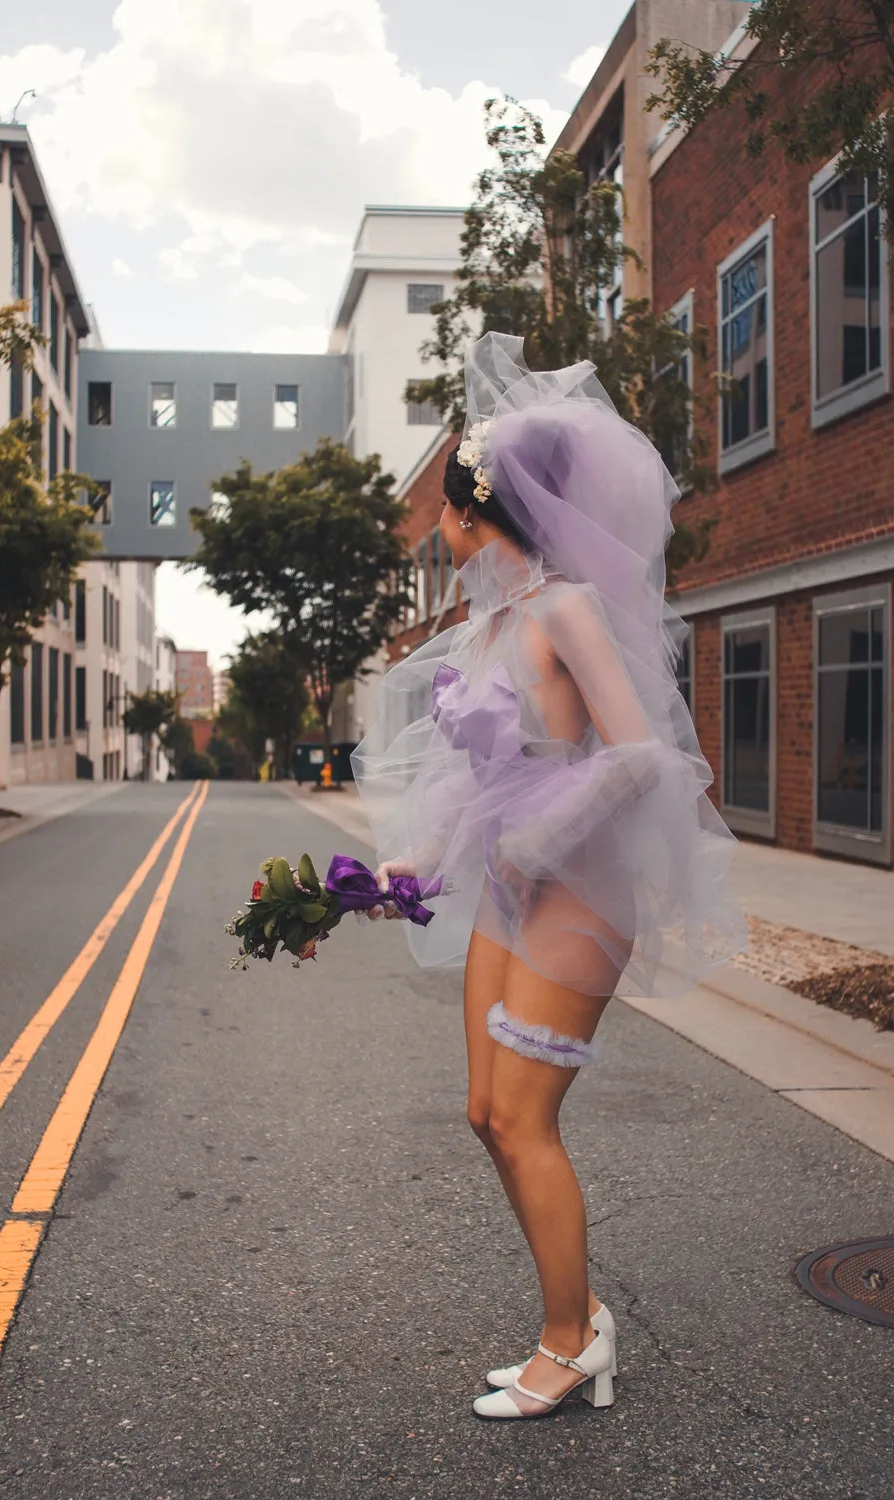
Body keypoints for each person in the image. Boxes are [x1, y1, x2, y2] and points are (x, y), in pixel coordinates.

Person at [352, 333, 746, 1421]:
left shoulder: (567, 611)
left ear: (474, 512)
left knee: (525, 1118)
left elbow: (641, 755)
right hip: (505, 889)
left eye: (443, 504)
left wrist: (538, 840)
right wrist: (415, 861)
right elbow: (459, 772)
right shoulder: (488, 627)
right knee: (485, 1110)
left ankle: (570, 1345)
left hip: (580, 895)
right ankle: (576, 1320)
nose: (439, 524)